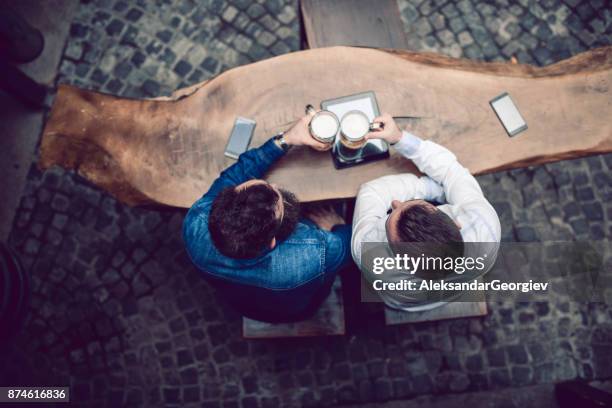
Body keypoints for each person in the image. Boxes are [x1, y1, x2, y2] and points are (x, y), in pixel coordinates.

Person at [183, 112, 352, 323]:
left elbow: (235, 175)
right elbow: (351, 246)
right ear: (272, 242)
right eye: (278, 198)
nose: (275, 186)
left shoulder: (196, 222)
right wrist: (337, 226)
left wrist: (287, 139)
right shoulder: (313, 253)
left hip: (241, 304)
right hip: (298, 310)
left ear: (218, 203)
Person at [351, 113, 501, 311]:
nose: (396, 203)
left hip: (403, 302)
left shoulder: (367, 252)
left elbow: (371, 191)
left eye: (391, 214)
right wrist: (399, 138)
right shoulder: (485, 226)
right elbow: (452, 173)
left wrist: (427, 189)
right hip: (453, 291)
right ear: (456, 224)